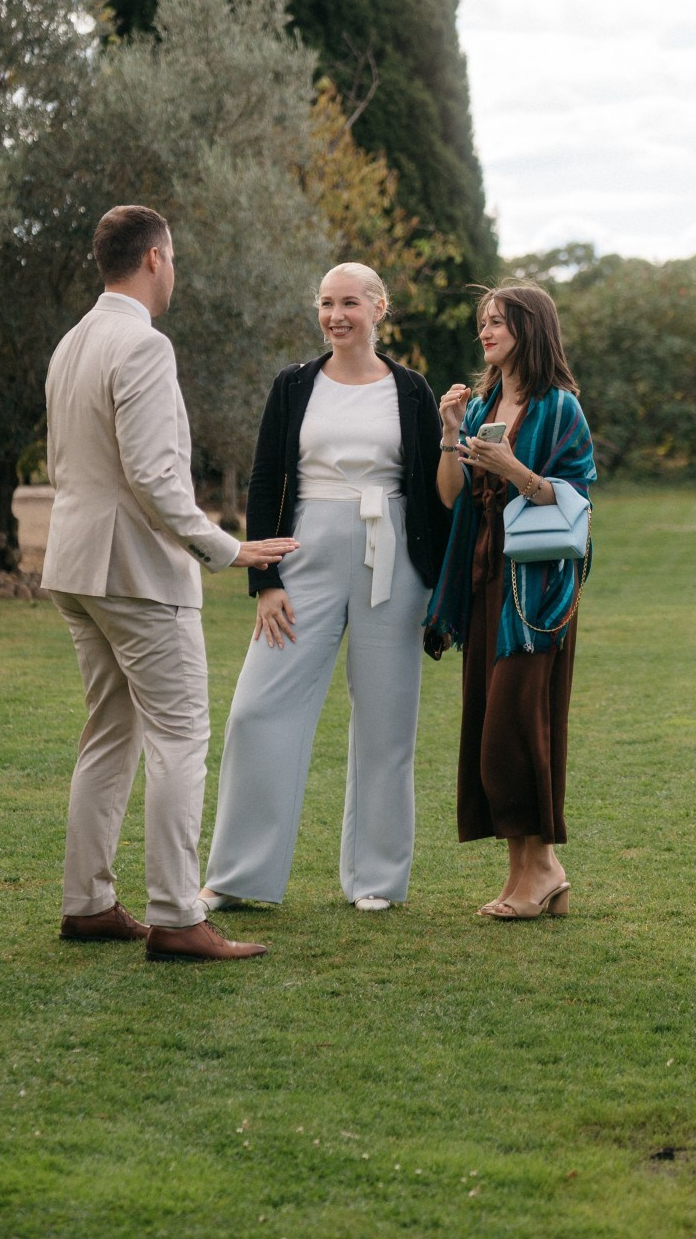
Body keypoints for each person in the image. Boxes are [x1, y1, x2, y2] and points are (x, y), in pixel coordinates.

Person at [43, 204, 298, 962]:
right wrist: (226, 547)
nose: (176, 271)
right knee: (180, 735)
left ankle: (88, 904)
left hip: (76, 566)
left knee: (110, 732)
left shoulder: (72, 342)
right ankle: (179, 915)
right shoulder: (143, 346)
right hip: (137, 574)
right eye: (175, 258)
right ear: (155, 258)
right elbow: (154, 475)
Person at [201, 264, 449, 913]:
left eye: (349, 303)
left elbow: (430, 493)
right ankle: (236, 877)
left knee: (386, 724)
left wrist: (440, 591)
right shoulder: (293, 387)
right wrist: (265, 580)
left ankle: (377, 880)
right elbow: (263, 482)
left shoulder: (411, 390)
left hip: (390, 559)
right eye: (325, 303)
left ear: (378, 307)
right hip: (304, 552)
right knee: (256, 709)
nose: (336, 314)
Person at [426, 282, 596, 919]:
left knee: (516, 727)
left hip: (538, 594)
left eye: (498, 322)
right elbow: (450, 496)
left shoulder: (560, 410)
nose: (486, 332)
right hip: (483, 580)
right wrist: (450, 431)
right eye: (483, 322)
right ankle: (523, 874)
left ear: (531, 329)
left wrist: (514, 470)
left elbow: (574, 498)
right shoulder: (480, 407)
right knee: (488, 725)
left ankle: (543, 866)